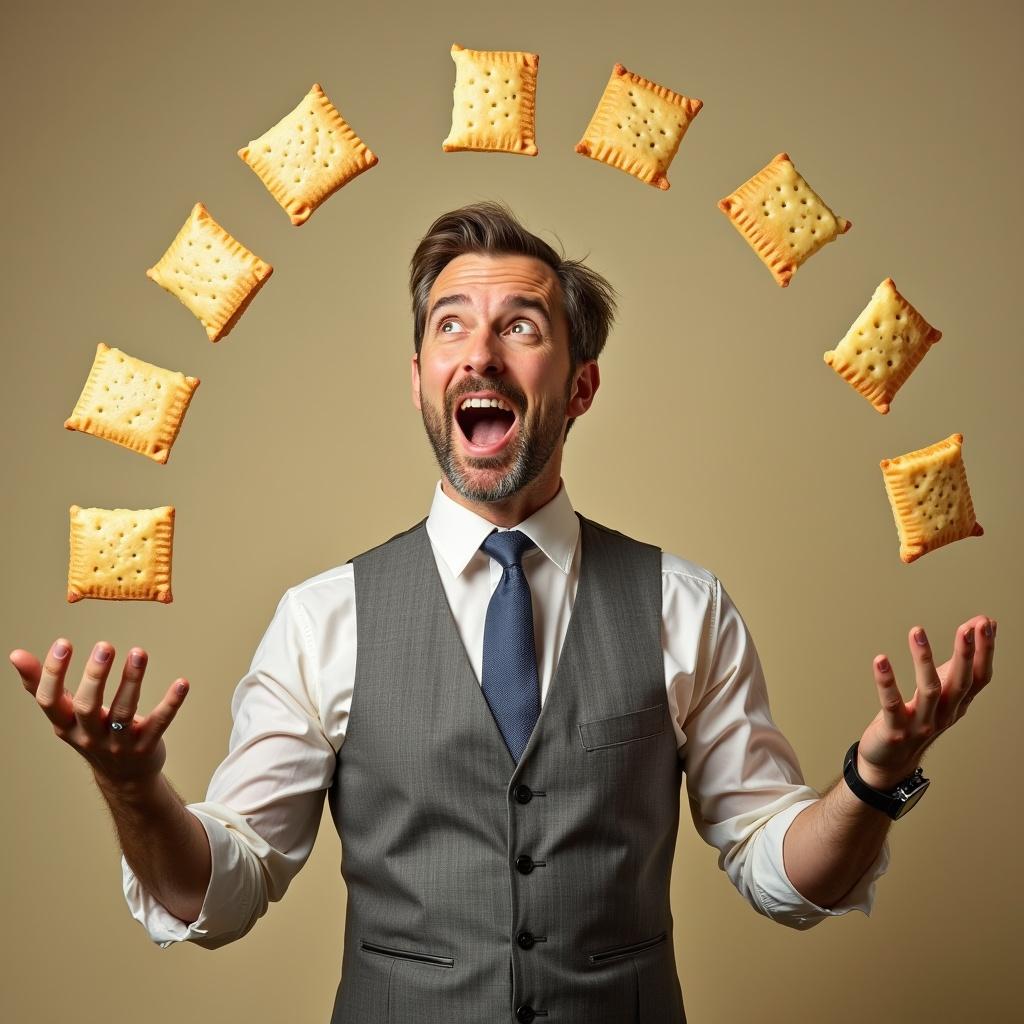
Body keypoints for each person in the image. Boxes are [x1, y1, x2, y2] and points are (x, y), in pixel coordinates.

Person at [12, 202, 997, 1024]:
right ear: (418, 383)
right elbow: (220, 898)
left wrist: (873, 780)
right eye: (449, 324)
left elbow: (785, 879)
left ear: (579, 386)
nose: (479, 351)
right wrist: (135, 790)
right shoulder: (323, 620)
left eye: (520, 324)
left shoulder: (682, 608)